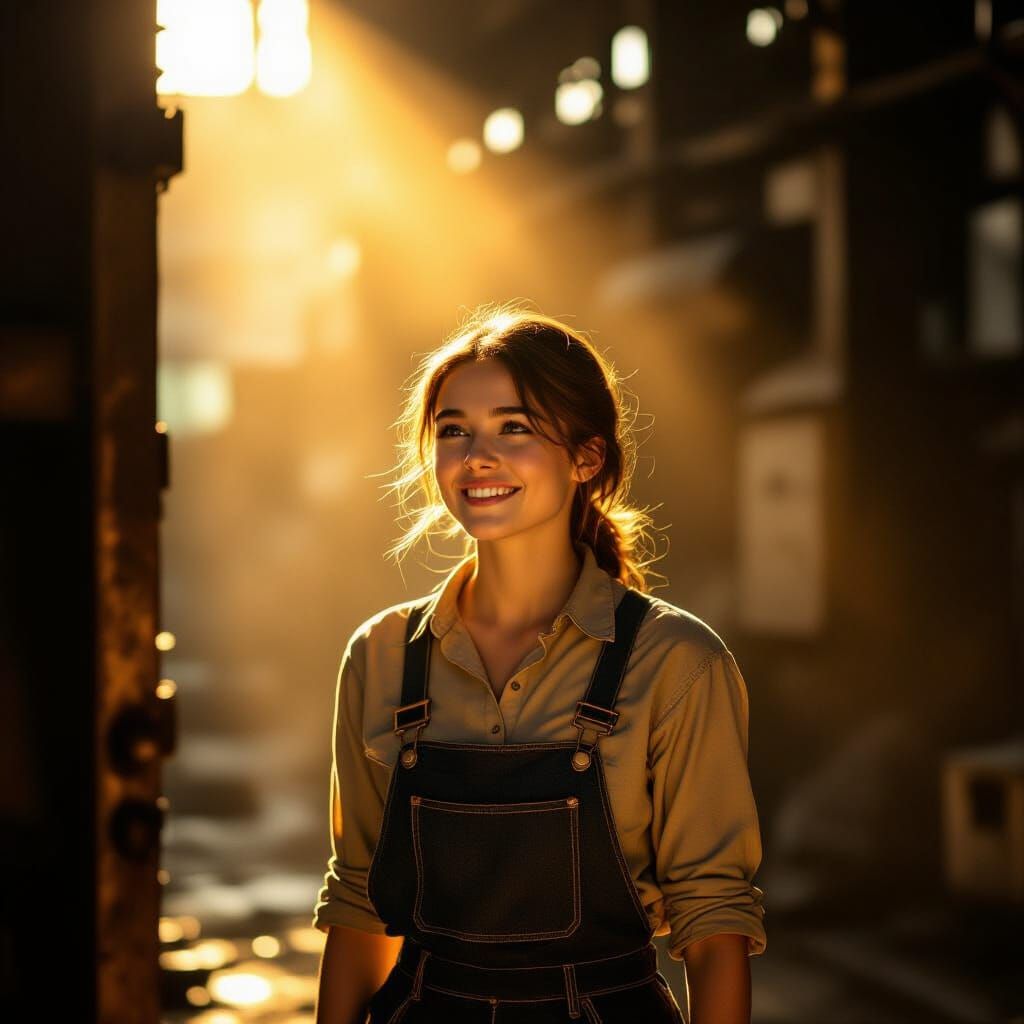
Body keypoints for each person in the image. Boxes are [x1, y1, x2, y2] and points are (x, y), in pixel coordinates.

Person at [312, 306, 767, 1024]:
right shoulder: (380, 655)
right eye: (454, 430)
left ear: (586, 458)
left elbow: (716, 927)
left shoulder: (676, 662)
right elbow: (359, 905)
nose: (476, 457)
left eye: (514, 428)